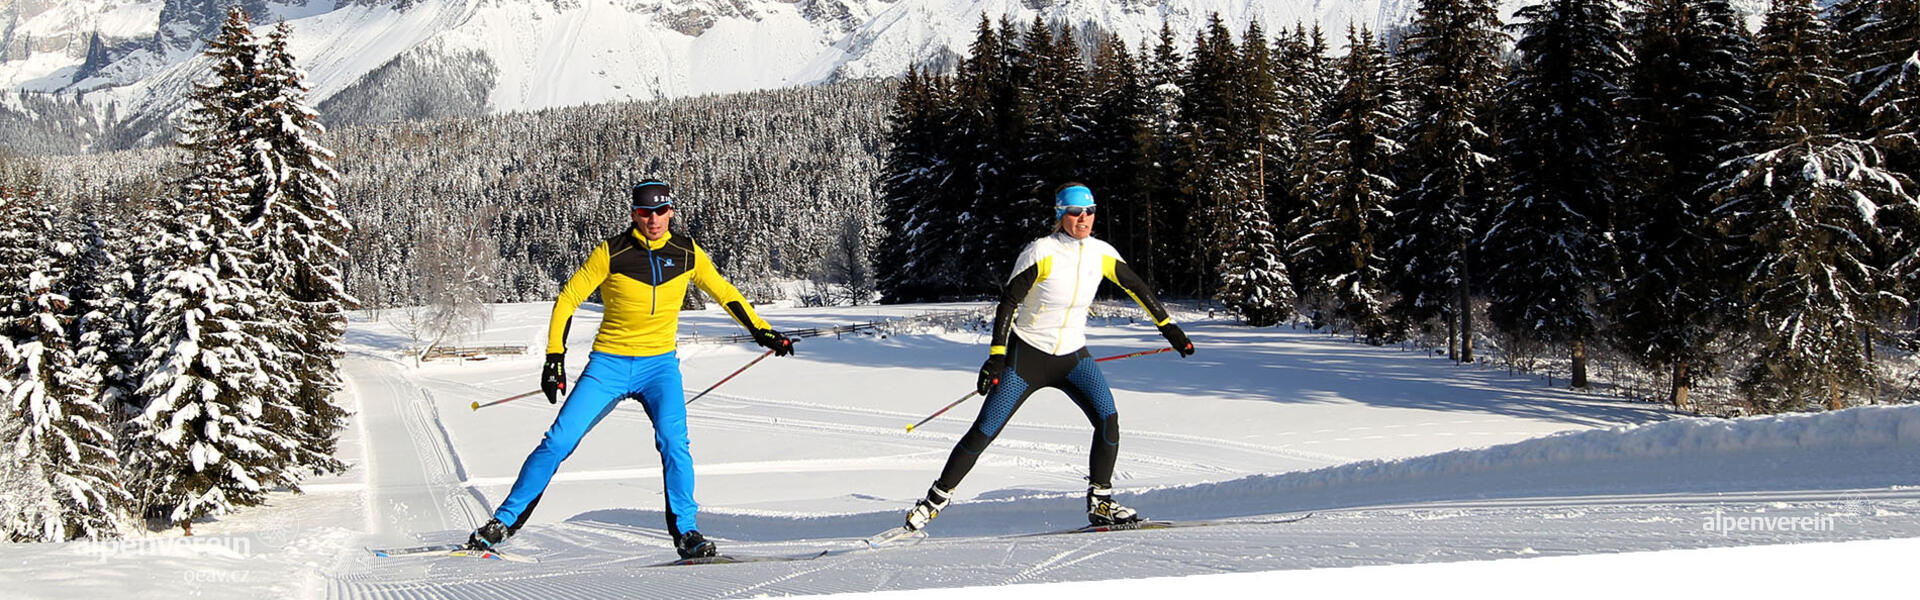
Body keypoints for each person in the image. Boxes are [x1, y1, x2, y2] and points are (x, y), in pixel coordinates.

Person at [465, 179, 796, 559]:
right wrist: (554, 357)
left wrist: (763, 331)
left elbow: (725, 293)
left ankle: (687, 532)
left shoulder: (686, 253)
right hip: (609, 364)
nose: (653, 219)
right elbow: (568, 298)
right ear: (634, 214)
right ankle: (503, 522)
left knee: (674, 442)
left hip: (659, 368)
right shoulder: (611, 252)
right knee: (558, 441)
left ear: (671, 211)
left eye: (660, 211)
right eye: (644, 212)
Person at [900, 182, 1194, 532]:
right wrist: (996, 357)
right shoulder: (1041, 251)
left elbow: (1138, 288)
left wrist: (1169, 328)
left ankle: (1101, 502)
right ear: (1060, 214)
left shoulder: (1101, 253)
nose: (1083, 219)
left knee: (1108, 419)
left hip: (1073, 358)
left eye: (1089, 211)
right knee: (985, 429)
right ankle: (933, 501)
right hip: (1027, 357)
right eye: (1075, 212)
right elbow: (1008, 302)